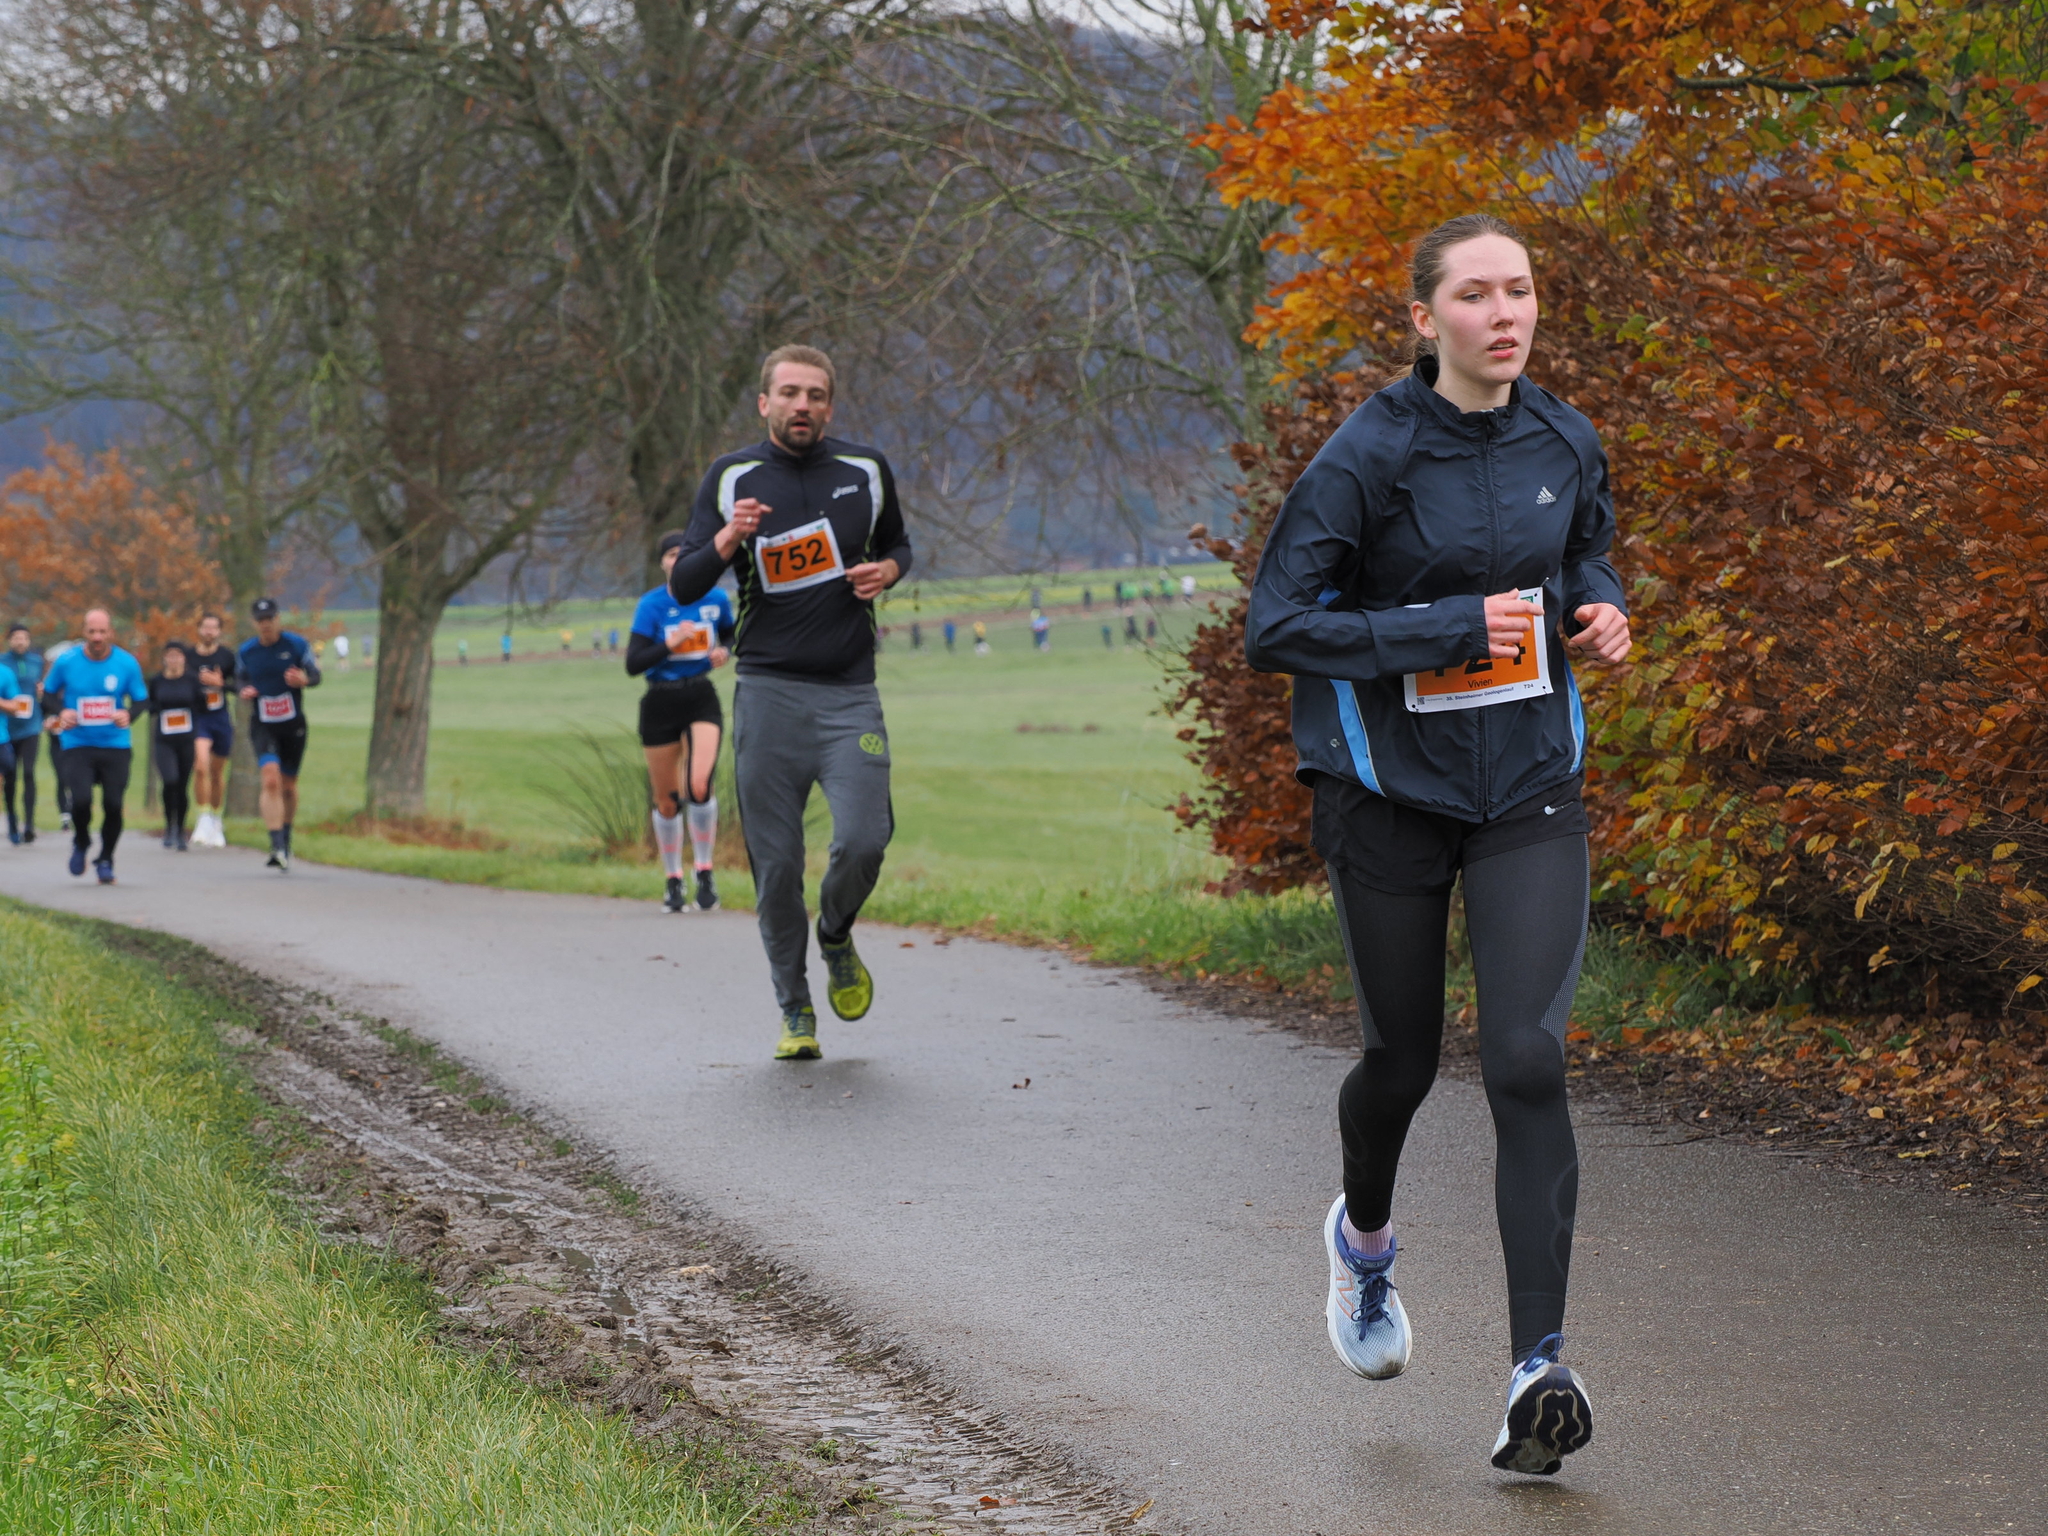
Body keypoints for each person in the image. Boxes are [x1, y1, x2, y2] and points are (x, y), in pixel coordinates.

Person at [1244, 213, 1630, 1478]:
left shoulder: (1563, 436)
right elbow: (1274, 626)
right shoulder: (1366, 454)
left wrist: (1600, 610)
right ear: (1424, 319)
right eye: (1474, 294)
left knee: (1525, 1057)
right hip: (1385, 791)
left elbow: (1584, 553)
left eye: (1518, 290)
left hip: (1526, 785)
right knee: (1399, 1062)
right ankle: (1361, 1242)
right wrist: (1440, 629)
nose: (1503, 313)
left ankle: (1537, 1371)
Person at [667, 343, 911, 1061]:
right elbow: (684, 584)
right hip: (768, 695)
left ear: (829, 407)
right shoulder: (732, 477)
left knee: (864, 839)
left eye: (816, 395)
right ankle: (795, 1010)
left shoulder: (865, 470)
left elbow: (899, 543)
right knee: (776, 870)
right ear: (764, 403)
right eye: (790, 393)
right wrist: (728, 537)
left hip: (850, 696)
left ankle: (834, 934)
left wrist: (887, 570)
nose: (802, 405)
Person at [628, 531, 735, 914]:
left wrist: (724, 650)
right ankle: (673, 878)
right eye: (672, 554)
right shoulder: (652, 605)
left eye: (686, 553)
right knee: (667, 800)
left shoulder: (716, 599)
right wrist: (668, 646)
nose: (678, 560)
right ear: (662, 562)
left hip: (700, 697)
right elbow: (633, 664)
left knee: (699, 785)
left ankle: (705, 870)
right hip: (660, 701)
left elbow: (731, 634)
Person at [40, 608, 146, 883]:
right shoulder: (66, 661)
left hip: (115, 744)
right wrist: (61, 712)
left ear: (110, 632)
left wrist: (129, 715)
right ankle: (81, 841)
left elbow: (141, 700)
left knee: (113, 804)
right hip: (77, 743)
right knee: (81, 800)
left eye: (102, 631)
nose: (97, 637)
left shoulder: (126, 663)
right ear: (84, 632)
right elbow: (47, 695)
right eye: (92, 632)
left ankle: (106, 858)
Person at [237, 597, 321, 872]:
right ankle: (276, 846)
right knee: (270, 779)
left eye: (270, 619)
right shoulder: (247, 651)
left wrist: (304, 680)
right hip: (263, 724)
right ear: (255, 623)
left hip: (293, 725)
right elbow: (240, 679)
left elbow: (315, 675)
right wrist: (244, 690)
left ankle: (286, 836)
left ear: (278, 619)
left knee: (288, 786)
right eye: (261, 620)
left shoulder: (296, 645)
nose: (266, 625)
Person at [146, 641, 204, 850]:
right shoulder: (157, 681)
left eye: (177, 656)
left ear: (184, 659)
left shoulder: (192, 680)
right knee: (169, 780)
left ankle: (180, 829)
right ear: (164, 658)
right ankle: (168, 825)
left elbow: (202, 705)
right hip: (164, 740)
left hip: (186, 740)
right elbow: (150, 705)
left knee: (181, 785)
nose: (173, 660)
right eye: (169, 656)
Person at [188, 612, 237, 847]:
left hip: (220, 718)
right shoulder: (189, 657)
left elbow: (241, 685)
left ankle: (216, 820)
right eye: (205, 627)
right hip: (199, 718)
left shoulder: (227, 656)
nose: (209, 632)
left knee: (217, 774)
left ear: (219, 631)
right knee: (200, 766)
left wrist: (221, 684)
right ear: (198, 629)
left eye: (213, 628)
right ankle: (203, 817)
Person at [3, 624, 43, 843]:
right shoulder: (3, 663)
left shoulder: (37, 662)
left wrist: (42, 691)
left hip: (31, 726)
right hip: (8, 728)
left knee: (28, 772)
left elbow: (44, 689)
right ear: (9, 640)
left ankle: (29, 824)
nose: (20, 641)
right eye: (16, 637)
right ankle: (12, 820)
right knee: (10, 776)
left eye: (24, 638)